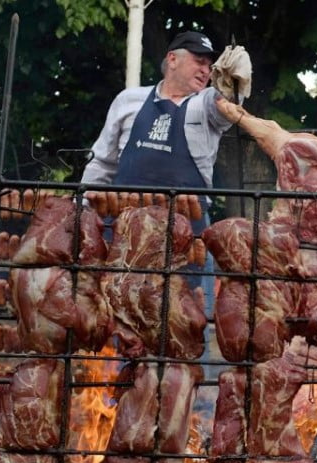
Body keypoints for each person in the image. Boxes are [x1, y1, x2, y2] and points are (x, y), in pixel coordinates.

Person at [82, 30, 250, 318]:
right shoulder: (128, 100)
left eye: (210, 66)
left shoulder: (207, 104)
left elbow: (228, 104)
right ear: (172, 59)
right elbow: (103, 162)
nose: (205, 70)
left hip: (187, 233)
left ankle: (192, 365)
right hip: (124, 229)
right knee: (124, 314)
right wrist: (82, 209)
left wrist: (234, 79)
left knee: (190, 317)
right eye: (199, 61)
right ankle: (126, 364)